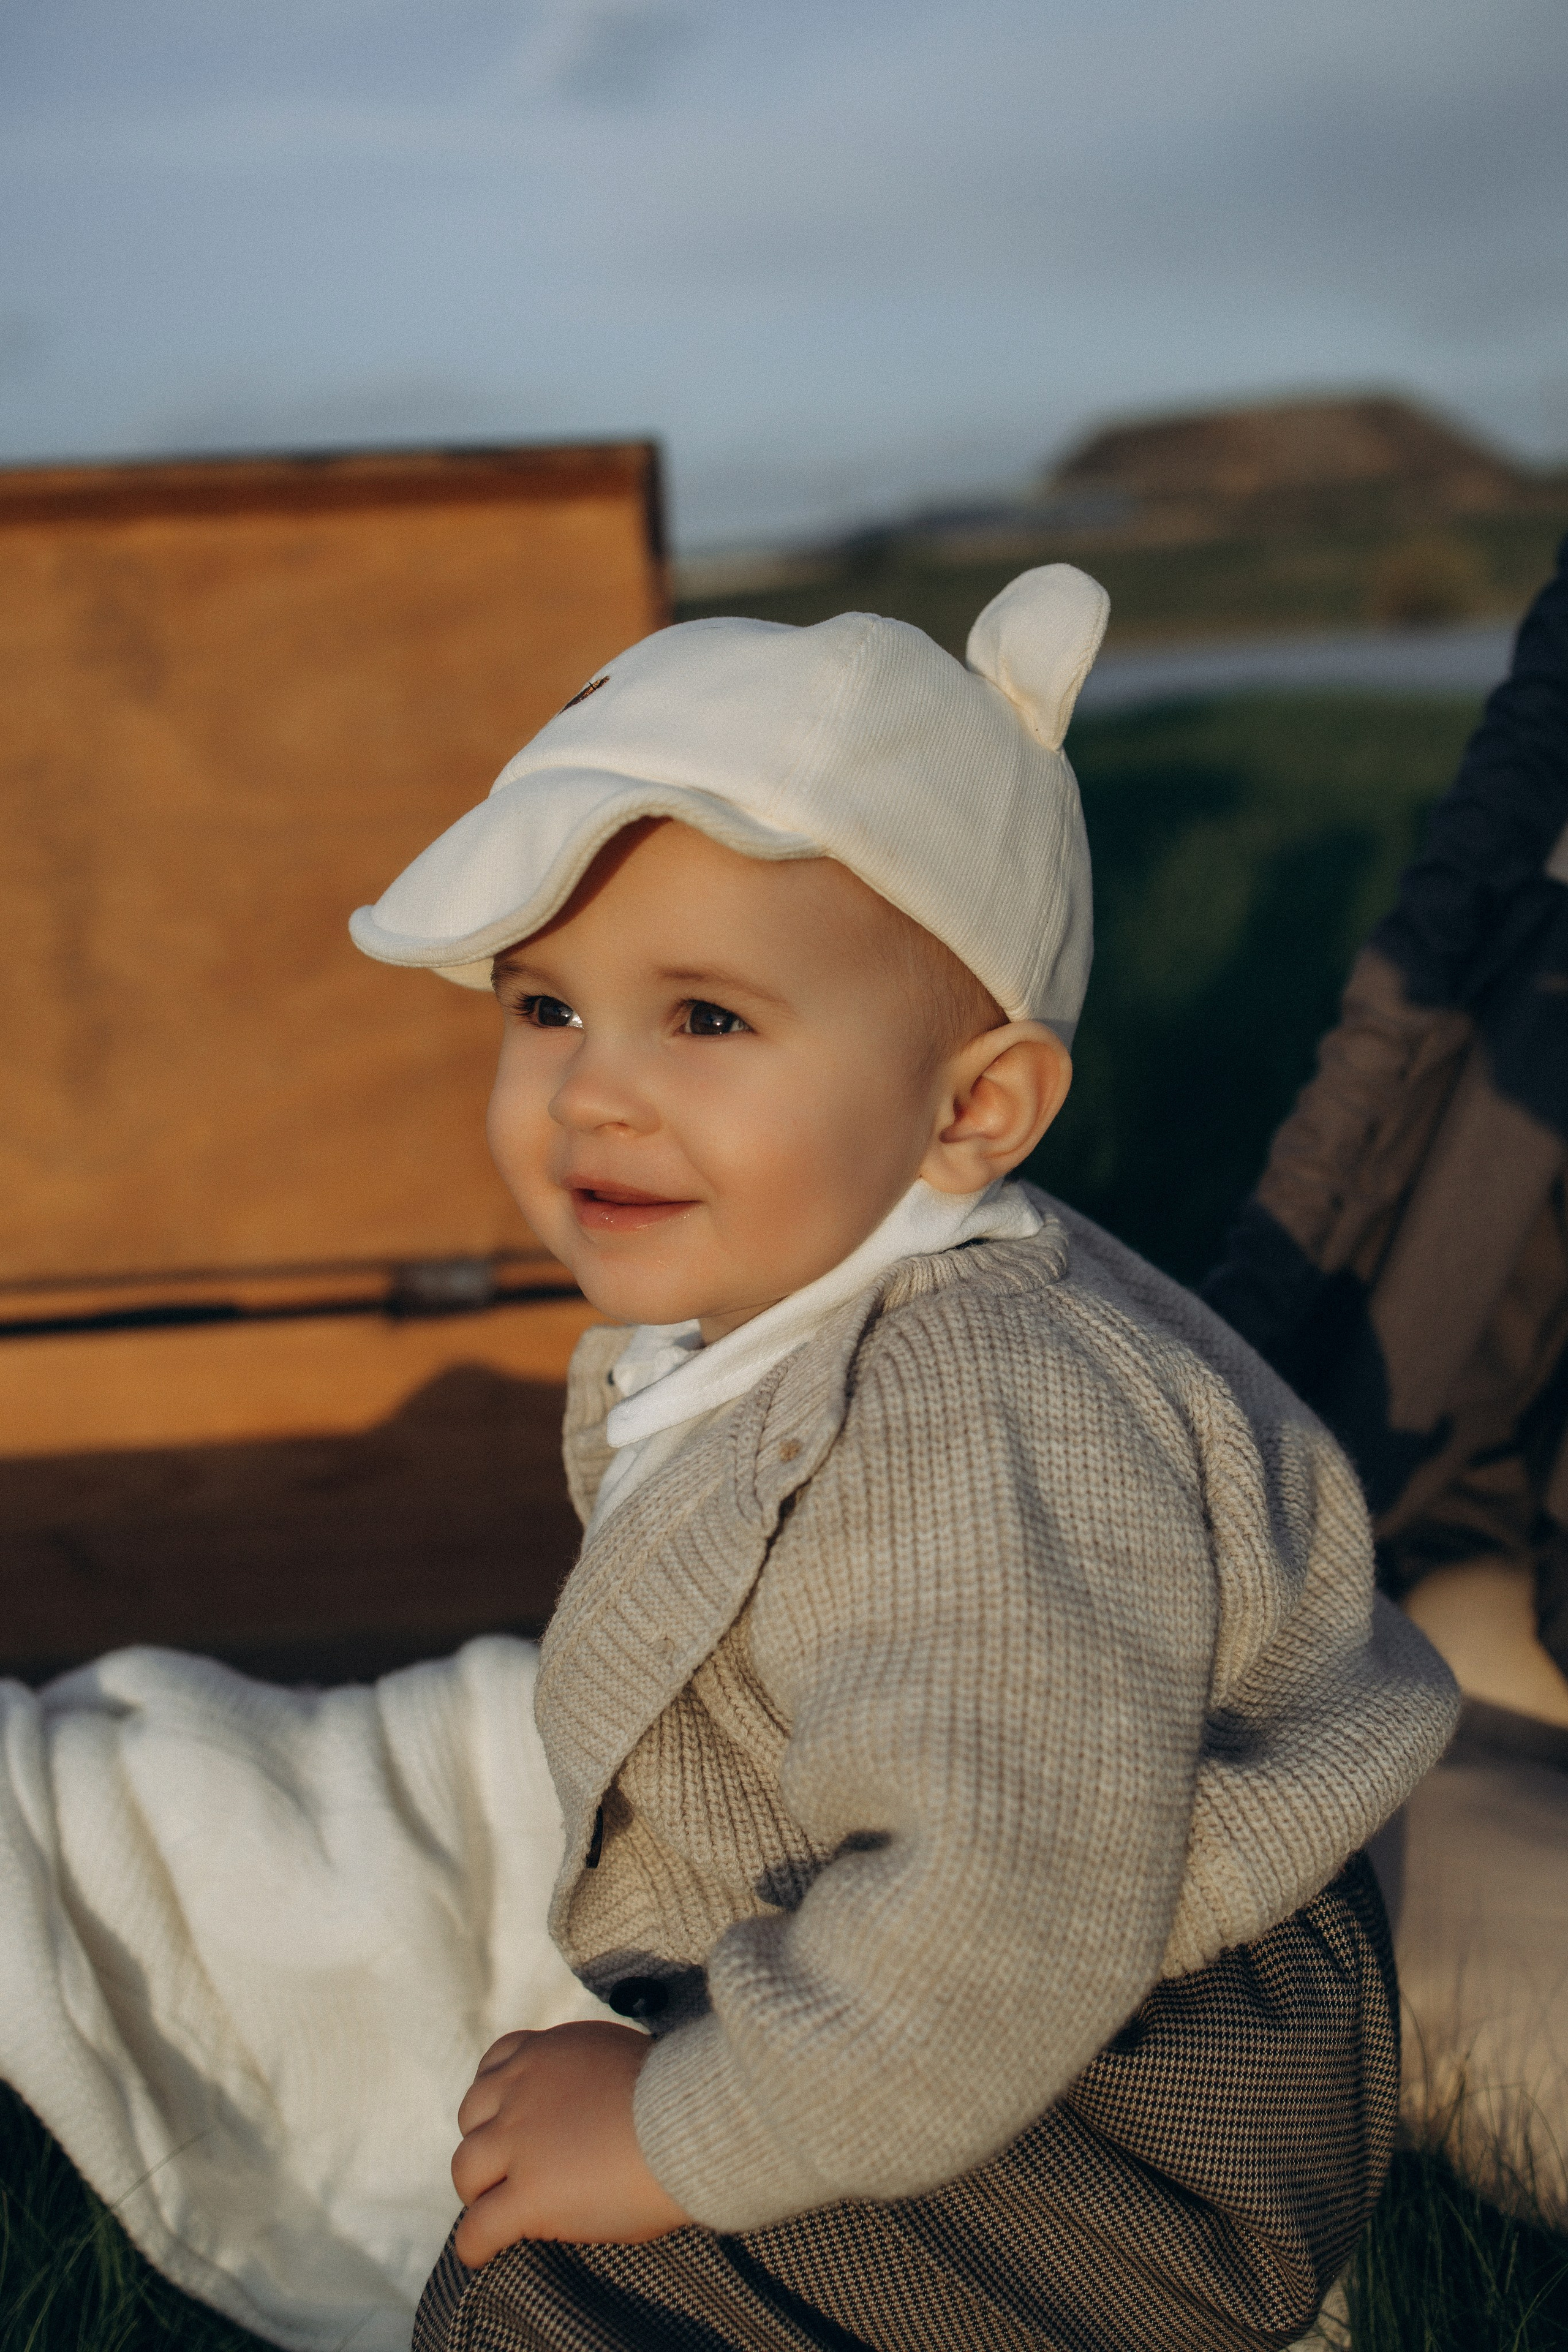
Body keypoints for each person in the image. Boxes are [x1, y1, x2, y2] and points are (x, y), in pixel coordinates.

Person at [347, 565, 1459, 2352]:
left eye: (704, 1019)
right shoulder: (758, 1314)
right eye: (544, 1007)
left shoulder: (976, 1421)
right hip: (974, 2006)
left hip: (1125, 2108)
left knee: (543, 2306)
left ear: (973, 1109)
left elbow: (996, 1911)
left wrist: (669, 2130)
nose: (590, 1093)